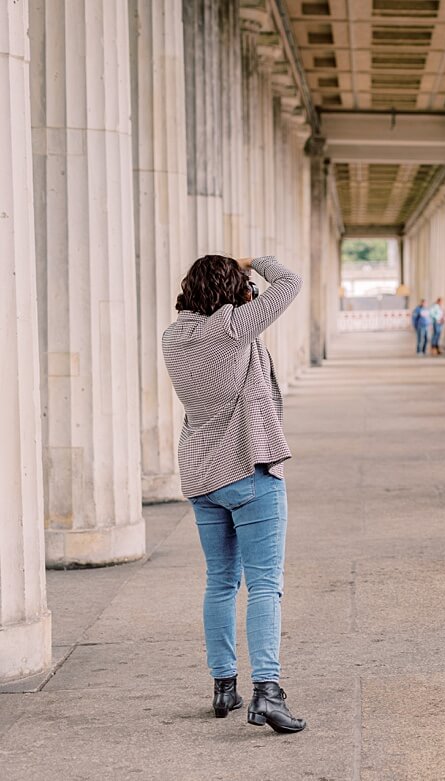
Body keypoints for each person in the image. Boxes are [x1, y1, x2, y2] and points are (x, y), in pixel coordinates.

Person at [161, 254, 307, 734]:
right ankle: (268, 691)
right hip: (249, 469)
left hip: (203, 476)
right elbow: (288, 282)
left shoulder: (174, 339)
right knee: (265, 585)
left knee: (220, 583)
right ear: (232, 288)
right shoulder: (234, 329)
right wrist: (253, 261)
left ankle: (224, 684)